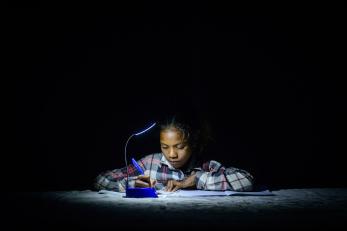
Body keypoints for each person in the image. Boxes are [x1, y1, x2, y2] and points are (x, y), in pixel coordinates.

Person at [93, 112, 254, 192]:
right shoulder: (150, 163)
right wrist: (130, 184)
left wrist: (195, 180)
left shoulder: (206, 165)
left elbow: (246, 180)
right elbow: (101, 180)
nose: (171, 155)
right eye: (165, 146)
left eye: (180, 147)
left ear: (193, 143)